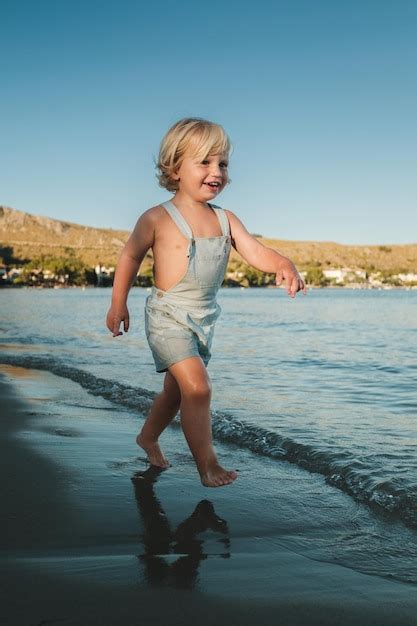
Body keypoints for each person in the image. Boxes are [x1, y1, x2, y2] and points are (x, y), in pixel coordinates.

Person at [106, 117, 306, 488]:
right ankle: (207, 463)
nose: (217, 172)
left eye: (223, 163)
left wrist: (282, 263)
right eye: (205, 162)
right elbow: (130, 257)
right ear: (174, 168)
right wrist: (119, 304)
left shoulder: (226, 220)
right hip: (167, 315)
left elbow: (255, 251)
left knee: (175, 391)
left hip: (204, 319)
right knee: (198, 388)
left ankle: (147, 437)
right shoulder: (157, 218)